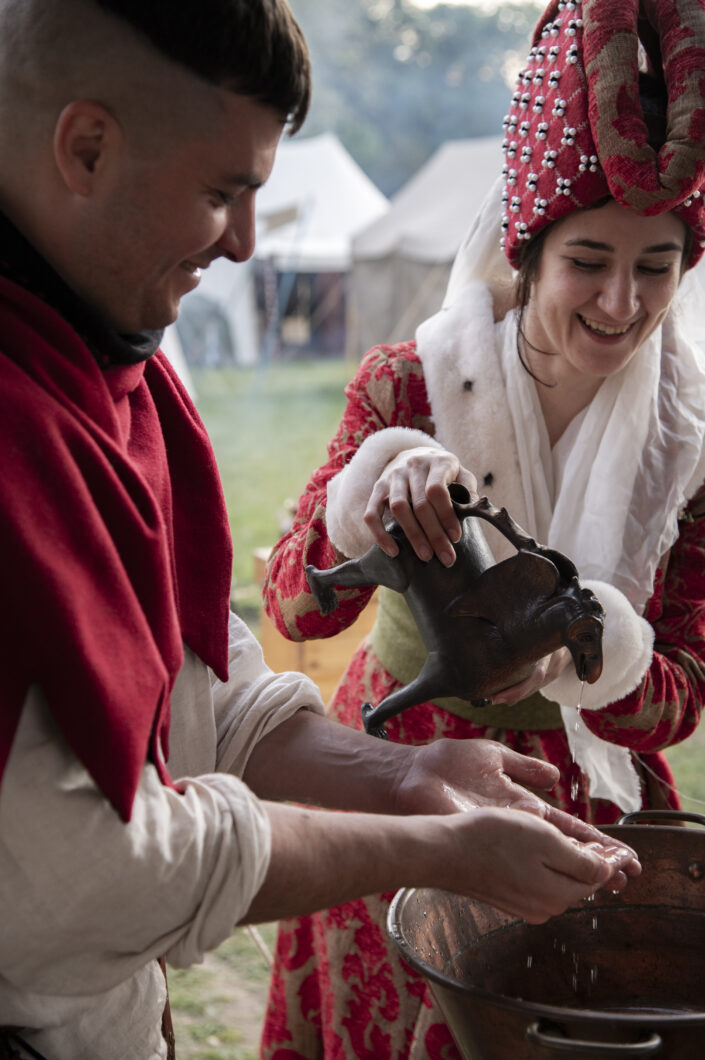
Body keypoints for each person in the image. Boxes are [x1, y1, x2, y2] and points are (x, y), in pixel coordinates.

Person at [0, 2, 644, 1059]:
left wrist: (409, 777)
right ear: (86, 146)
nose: (249, 245)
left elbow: (197, 681)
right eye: (222, 193)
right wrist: (432, 842)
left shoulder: (119, 366)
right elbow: (84, 879)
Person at [259, 0, 705, 1056]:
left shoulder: (688, 440)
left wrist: (589, 643)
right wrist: (370, 487)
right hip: (400, 790)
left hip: (586, 807)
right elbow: (290, 600)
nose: (620, 301)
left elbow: (686, 683)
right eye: (588, 260)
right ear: (530, 249)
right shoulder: (412, 382)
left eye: (656, 267)